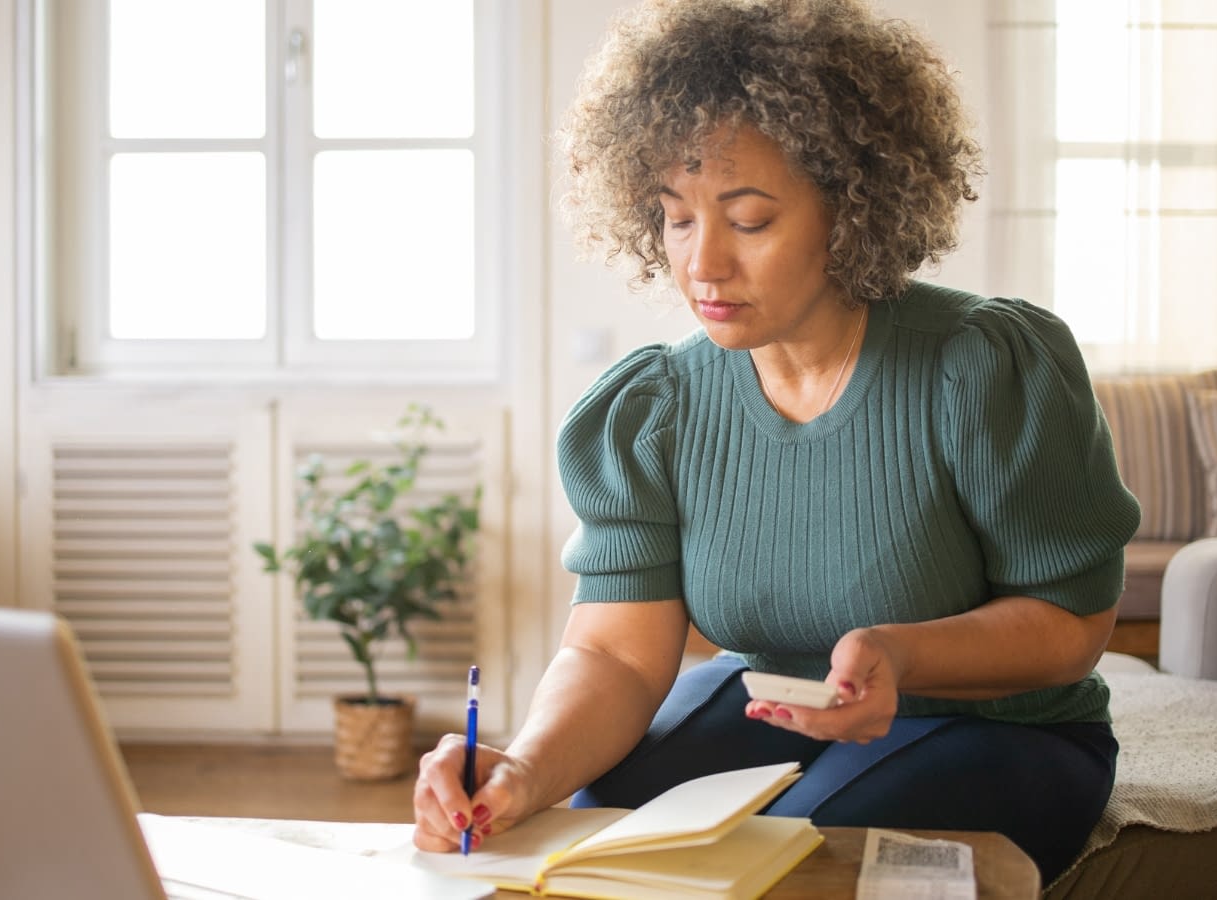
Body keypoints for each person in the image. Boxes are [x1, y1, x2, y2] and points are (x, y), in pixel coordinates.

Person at [413, 0, 1140, 884]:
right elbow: (613, 652)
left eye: (749, 220)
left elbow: (1072, 623)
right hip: (774, 703)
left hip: (1000, 727)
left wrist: (902, 657)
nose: (702, 264)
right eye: (677, 217)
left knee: (797, 856)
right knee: (593, 816)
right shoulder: (655, 408)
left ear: (853, 209)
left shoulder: (982, 367)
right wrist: (523, 768)